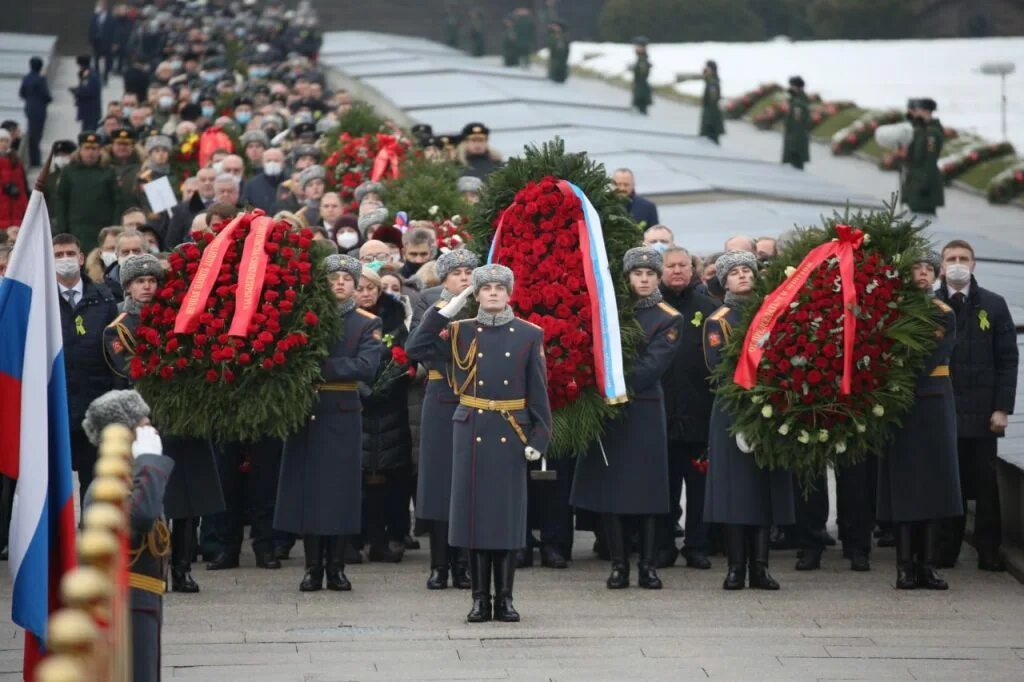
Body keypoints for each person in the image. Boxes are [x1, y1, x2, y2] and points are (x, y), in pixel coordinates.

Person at [407, 264, 552, 623]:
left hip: (509, 432)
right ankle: (478, 598)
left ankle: (504, 598)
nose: (491, 293)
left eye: (498, 288)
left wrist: (539, 437)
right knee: (473, 520)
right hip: (471, 430)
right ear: (475, 294)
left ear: (508, 293)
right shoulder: (459, 331)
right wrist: (444, 312)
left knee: (504, 519)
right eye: (484, 288)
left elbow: (539, 393)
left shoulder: (528, 334)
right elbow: (416, 347)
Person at [571, 246, 682, 590]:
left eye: (650, 273)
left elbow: (653, 365)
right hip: (610, 410)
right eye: (638, 274)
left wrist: (614, 381)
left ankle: (647, 565)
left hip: (643, 409)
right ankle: (619, 564)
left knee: (648, 493)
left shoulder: (668, 317)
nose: (644, 279)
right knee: (613, 491)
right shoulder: (611, 313)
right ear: (628, 277)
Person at [274, 254, 384, 592]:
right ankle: (312, 566)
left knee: (340, 492)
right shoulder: (305, 320)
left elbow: (365, 367)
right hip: (307, 410)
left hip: (342, 411)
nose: (340, 283)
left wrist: (319, 366)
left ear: (354, 286)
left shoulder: (367, 322)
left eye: (346, 279)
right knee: (309, 492)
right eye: (333, 278)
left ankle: (336, 566)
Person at [703, 250, 795, 590]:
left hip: (770, 409)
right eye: (734, 272)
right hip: (733, 411)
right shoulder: (720, 320)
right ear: (724, 280)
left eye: (747, 270)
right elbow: (719, 368)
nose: (742, 276)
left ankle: (761, 566)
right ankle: (735, 567)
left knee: (763, 492)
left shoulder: (771, 313)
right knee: (735, 493)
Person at [878, 252, 962, 589]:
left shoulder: (942, 313)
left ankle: (927, 564)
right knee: (905, 486)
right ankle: (903, 565)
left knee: (934, 486)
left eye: (929, 269)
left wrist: (900, 378)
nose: (924, 274)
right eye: (918, 268)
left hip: (932, 402)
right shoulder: (892, 311)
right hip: (901, 406)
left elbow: (932, 355)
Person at [81, 389, 174, 682]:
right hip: (124, 601)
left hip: (140, 598)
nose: (152, 431)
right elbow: (143, 516)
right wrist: (148, 461)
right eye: (143, 426)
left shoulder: (128, 477)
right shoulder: (108, 485)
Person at [937, 239, 1018, 570]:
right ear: (941, 267)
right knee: (948, 483)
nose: (957, 263)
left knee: (986, 485)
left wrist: (1002, 408)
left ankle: (988, 550)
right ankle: (946, 549)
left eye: (963, 258)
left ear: (973, 264)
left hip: (984, 412)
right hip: (943, 412)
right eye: (951, 258)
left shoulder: (994, 305)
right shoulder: (931, 306)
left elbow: (1008, 359)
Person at [407, 250, 479, 590]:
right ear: (444, 278)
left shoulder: (483, 308)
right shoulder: (432, 305)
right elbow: (416, 347)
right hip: (440, 399)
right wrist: (443, 316)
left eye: (469, 272)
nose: (464, 278)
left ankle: (463, 563)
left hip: (474, 399)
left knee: (467, 484)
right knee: (437, 484)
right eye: (457, 273)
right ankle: (439, 565)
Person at [658, 246, 718, 569]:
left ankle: (697, 545)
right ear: (661, 272)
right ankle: (664, 545)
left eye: (683, 265)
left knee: (698, 487)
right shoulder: (651, 308)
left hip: (698, 415)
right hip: (662, 415)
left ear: (693, 270)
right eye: (671, 266)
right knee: (664, 488)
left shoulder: (709, 308)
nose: (677, 270)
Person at [54, 233, 118, 511]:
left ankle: (92, 539)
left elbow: (114, 355)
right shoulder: (41, 302)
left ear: (81, 259)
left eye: (69, 254)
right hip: (56, 405)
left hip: (96, 403)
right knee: (55, 480)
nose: (65, 260)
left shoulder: (104, 299)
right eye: (58, 255)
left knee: (96, 481)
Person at [357, 266, 414, 563]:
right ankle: (353, 540)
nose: (365, 293)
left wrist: (386, 383)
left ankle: (382, 538)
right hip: (356, 407)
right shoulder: (345, 317)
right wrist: (362, 388)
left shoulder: (393, 317)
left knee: (385, 479)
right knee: (355, 478)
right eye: (360, 288)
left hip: (389, 409)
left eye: (371, 288)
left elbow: (404, 355)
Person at [58, 132, 118, 254]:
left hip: (102, 228)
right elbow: (61, 201)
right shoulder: (69, 171)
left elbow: (117, 201)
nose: (91, 152)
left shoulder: (108, 171)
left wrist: (114, 228)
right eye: (87, 148)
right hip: (76, 228)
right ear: (80, 150)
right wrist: (63, 229)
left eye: (94, 148)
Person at [902, 98, 945, 215]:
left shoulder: (931, 133)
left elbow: (930, 160)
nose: (915, 112)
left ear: (926, 111)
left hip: (924, 182)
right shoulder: (920, 129)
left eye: (918, 110)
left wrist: (925, 185)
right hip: (915, 180)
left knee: (924, 218)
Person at [18, 56, 52, 168]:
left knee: (32, 133)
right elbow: (46, 95)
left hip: (29, 109)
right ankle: (35, 160)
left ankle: (33, 159)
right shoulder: (41, 79)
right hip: (40, 110)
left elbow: (21, 94)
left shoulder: (26, 78)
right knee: (37, 135)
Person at [44, 140, 77, 231]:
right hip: (54, 220)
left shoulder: (78, 175)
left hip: (73, 219)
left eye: (64, 154)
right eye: (58, 155)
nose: (61, 158)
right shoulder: (49, 177)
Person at [241, 147, 285, 212]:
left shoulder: (289, 182)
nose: (272, 163)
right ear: (263, 163)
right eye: (269, 161)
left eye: (276, 161)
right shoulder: (251, 184)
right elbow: (245, 206)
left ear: (283, 163)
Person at [0, 130, 28, 227]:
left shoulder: (16, 162)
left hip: (16, 213)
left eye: (6, 141)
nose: (4, 144)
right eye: (1, 140)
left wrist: (25, 209)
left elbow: (23, 189)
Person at [782, 76, 810, 169]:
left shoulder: (798, 102)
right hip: (794, 136)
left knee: (796, 163)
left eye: (791, 86)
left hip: (796, 138)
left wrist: (793, 142)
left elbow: (797, 121)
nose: (790, 88)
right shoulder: (797, 99)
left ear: (796, 86)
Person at [71, 55, 102, 132]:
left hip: (90, 110)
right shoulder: (89, 73)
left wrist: (76, 91)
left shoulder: (90, 75)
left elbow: (88, 91)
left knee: (89, 131)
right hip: (89, 110)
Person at [88, 0, 116, 84]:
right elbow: (91, 29)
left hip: (107, 42)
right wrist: (90, 41)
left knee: (107, 60)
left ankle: (105, 77)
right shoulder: (95, 16)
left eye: (102, 5)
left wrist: (114, 42)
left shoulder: (111, 17)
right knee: (96, 60)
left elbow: (114, 30)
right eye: (99, 5)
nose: (100, 7)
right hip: (97, 41)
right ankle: (97, 77)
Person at [699, 60, 724, 144]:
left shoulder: (712, 83)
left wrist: (708, 122)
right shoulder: (710, 81)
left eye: (707, 68)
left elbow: (713, 99)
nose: (705, 69)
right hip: (710, 116)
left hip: (711, 118)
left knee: (711, 141)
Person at [632, 37, 652, 115]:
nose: (635, 48)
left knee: (641, 112)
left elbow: (643, 76)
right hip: (639, 88)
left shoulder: (642, 60)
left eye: (637, 46)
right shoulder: (641, 59)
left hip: (641, 91)